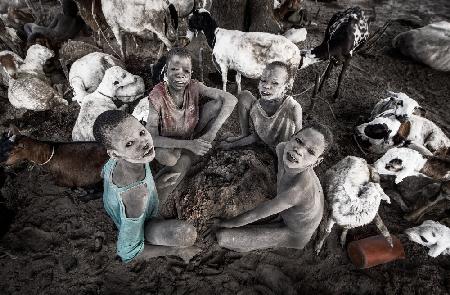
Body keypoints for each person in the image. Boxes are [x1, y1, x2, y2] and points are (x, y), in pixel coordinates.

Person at [93, 110, 199, 263]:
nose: (144, 143)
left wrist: (155, 183)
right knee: (185, 234)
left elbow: (105, 175)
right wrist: (176, 250)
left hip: (144, 199)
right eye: (129, 143)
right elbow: (127, 253)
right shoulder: (136, 197)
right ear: (115, 154)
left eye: (142, 133)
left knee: (184, 160)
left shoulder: (120, 161)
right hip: (144, 223)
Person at [212, 124, 333, 252]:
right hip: (291, 212)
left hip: (294, 233)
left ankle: (281, 242)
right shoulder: (281, 149)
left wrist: (222, 223)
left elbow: (255, 214)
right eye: (298, 140)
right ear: (292, 136)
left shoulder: (297, 190)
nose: (299, 150)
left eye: (311, 152)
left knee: (222, 237)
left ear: (317, 162)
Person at [146, 47, 238, 202]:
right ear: (166, 72)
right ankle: (189, 152)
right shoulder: (157, 95)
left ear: (190, 74)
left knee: (216, 104)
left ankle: (197, 146)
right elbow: (151, 138)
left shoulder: (194, 86)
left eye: (185, 71)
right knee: (170, 159)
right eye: (174, 69)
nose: (180, 74)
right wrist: (189, 145)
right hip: (167, 142)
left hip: (191, 131)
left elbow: (231, 99)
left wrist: (212, 132)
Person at [220, 61, 303, 151]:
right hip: (260, 134)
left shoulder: (293, 107)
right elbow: (256, 136)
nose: (266, 86)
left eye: (275, 83)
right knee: (244, 95)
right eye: (263, 80)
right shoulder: (258, 105)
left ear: (286, 87)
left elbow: (300, 136)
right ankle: (244, 134)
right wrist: (232, 145)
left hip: (280, 145)